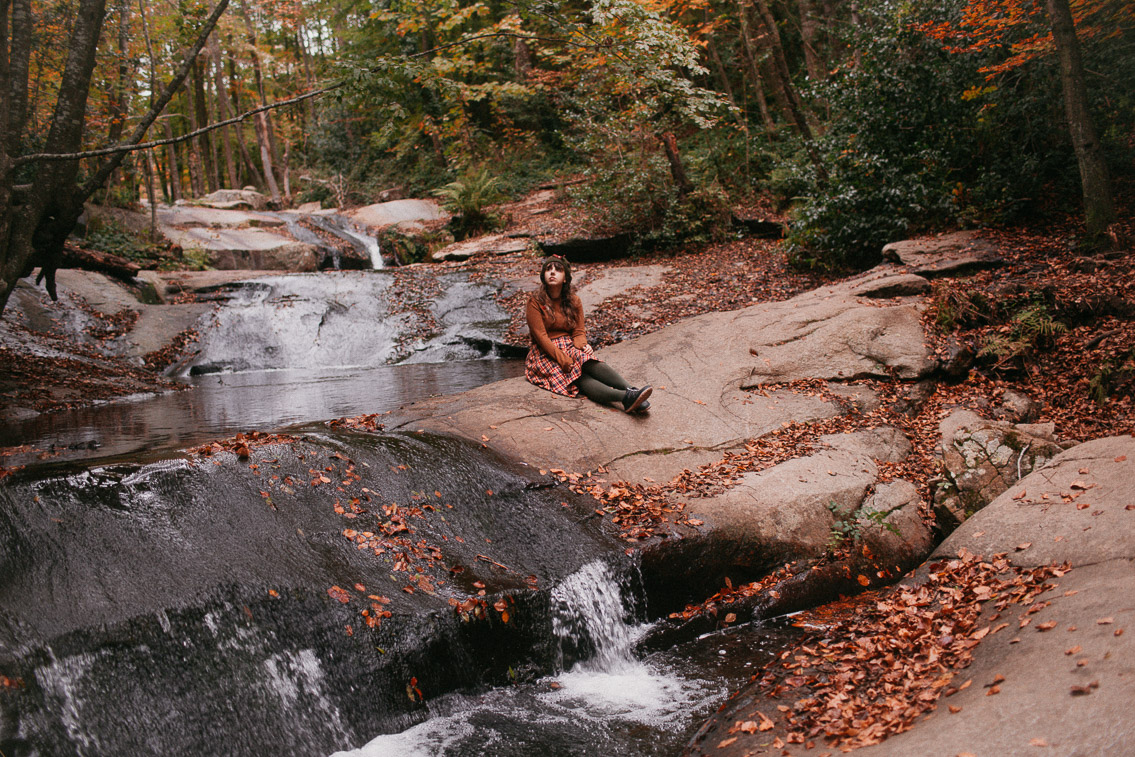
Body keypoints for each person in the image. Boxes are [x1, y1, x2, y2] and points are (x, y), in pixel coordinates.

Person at [524, 255, 652, 413]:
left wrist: (582, 346)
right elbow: (541, 337)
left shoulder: (574, 301)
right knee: (577, 376)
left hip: (567, 344)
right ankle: (625, 397)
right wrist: (563, 359)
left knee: (587, 360)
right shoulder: (535, 302)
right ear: (543, 277)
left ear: (565, 278)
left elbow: (578, 331)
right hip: (544, 352)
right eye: (548, 269)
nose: (552, 272)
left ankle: (632, 390)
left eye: (558, 270)